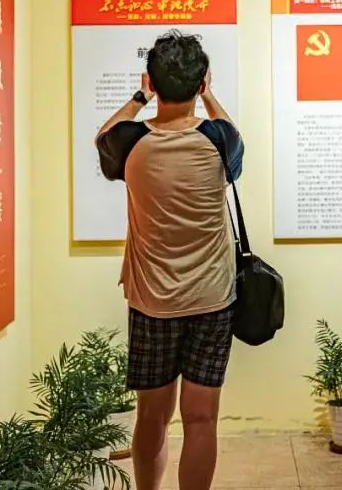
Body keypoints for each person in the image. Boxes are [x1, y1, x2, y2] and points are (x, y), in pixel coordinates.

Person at [95, 31, 243, 490]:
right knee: (201, 420)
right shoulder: (220, 139)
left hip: (152, 302)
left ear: (153, 83)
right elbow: (230, 130)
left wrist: (140, 97)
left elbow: (103, 135)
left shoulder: (129, 143)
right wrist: (209, 96)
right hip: (212, 299)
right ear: (201, 82)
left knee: (152, 417)